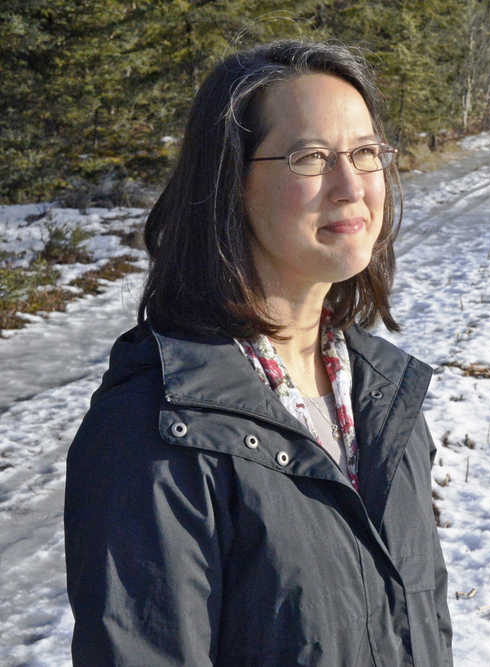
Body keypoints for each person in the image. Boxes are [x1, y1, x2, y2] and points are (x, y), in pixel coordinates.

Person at [63, 40, 452, 666]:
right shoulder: (158, 433)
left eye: (365, 153)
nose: (350, 185)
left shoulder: (383, 398)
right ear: (232, 184)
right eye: (310, 158)